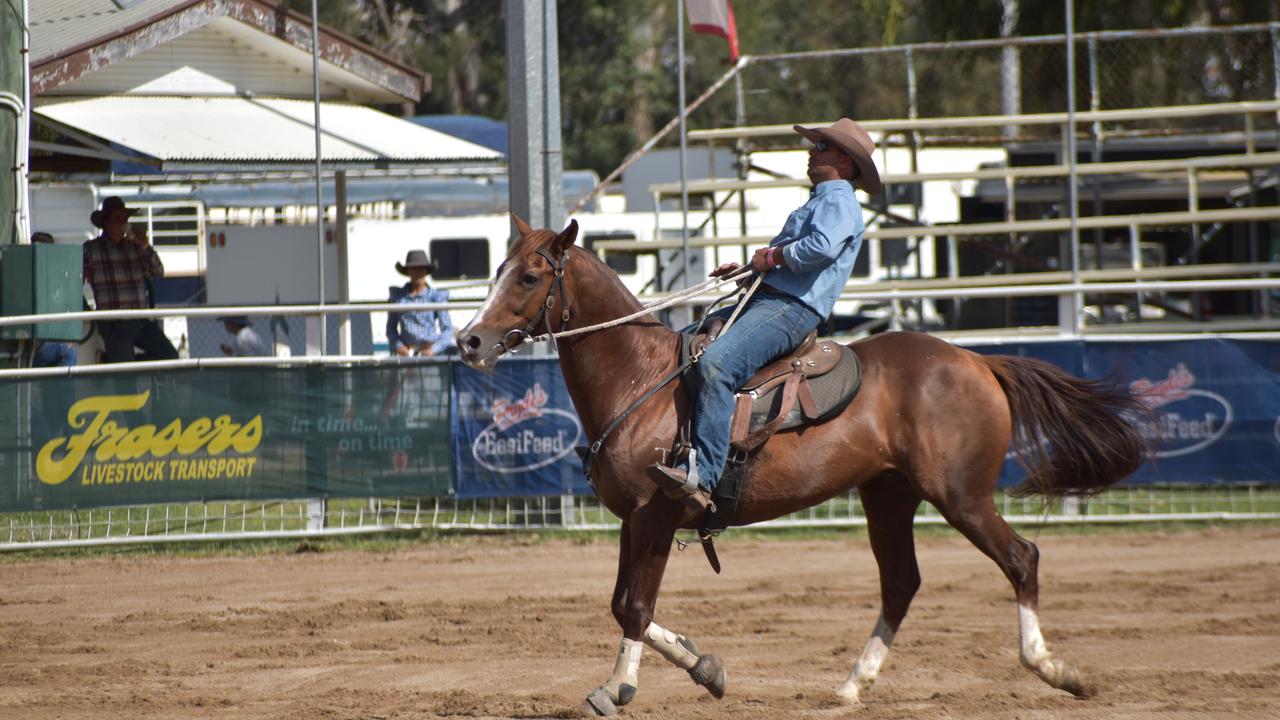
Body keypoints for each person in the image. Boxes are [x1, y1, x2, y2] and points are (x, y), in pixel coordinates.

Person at [648, 117, 881, 512]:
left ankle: (704, 475)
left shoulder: (839, 201)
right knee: (674, 348)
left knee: (718, 366)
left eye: (821, 147)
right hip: (769, 300)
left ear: (845, 160)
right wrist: (748, 270)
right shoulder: (821, 200)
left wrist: (770, 257)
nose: (812, 152)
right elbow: (792, 258)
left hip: (791, 310)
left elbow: (820, 249)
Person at [82, 196, 178, 363]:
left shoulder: (136, 247)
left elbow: (159, 271)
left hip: (139, 320)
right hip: (114, 322)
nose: (123, 223)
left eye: (125, 219)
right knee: (126, 373)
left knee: (170, 356)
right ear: (106, 222)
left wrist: (146, 246)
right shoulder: (92, 249)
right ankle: (116, 361)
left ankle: (109, 361)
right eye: (118, 218)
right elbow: (76, 280)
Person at [386, 250, 454, 356]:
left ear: (426, 271)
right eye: (413, 268)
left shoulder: (435, 297)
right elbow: (391, 328)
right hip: (407, 353)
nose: (417, 272)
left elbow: (447, 329)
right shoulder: (399, 298)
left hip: (430, 350)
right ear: (408, 271)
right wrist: (399, 345)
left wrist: (434, 349)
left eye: (421, 268)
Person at [29, 231, 78, 367]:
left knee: (67, 351)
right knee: (67, 352)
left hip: (47, 343)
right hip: (31, 346)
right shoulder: (25, 276)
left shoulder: (58, 278)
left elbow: (76, 304)